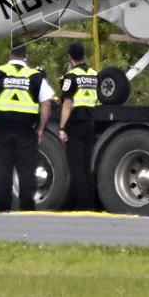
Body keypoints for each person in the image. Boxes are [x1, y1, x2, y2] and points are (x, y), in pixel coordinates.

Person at [0, 42, 54, 212]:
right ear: (26, 56)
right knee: (27, 169)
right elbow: (46, 104)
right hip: (26, 129)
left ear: (10, 54)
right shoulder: (35, 76)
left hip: (2, 128)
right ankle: (27, 207)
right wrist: (41, 129)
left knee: (3, 168)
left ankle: (3, 206)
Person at [58, 42, 99, 210]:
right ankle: (91, 203)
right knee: (86, 164)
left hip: (76, 123)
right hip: (91, 121)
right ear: (84, 56)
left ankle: (82, 206)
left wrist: (61, 128)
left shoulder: (71, 76)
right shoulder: (94, 74)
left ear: (70, 57)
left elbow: (68, 104)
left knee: (76, 167)